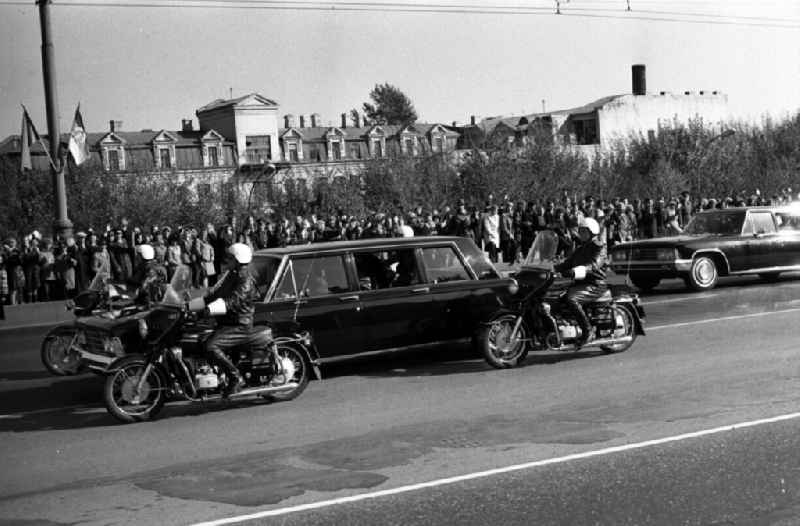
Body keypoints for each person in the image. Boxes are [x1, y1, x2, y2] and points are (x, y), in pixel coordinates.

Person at [200, 243, 260, 397]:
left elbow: (234, 301)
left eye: (230, 257)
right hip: (228, 322)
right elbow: (214, 294)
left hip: (240, 324)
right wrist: (188, 305)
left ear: (238, 259)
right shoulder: (231, 274)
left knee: (210, 346)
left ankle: (235, 377)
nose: (227, 260)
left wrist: (209, 310)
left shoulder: (245, 279)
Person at [554, 217, 608, 347]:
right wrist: (548, 267)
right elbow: (566, 263)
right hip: (580, 283)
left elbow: (594, 265)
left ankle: (588, 331)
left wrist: (576, 271)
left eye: (584, 231)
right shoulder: (580, 248)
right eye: (581, 231)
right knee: (556, 297)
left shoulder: (599, 246)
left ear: (592, 231)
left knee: (572, 299)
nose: (581, 233)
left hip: (595, 283)